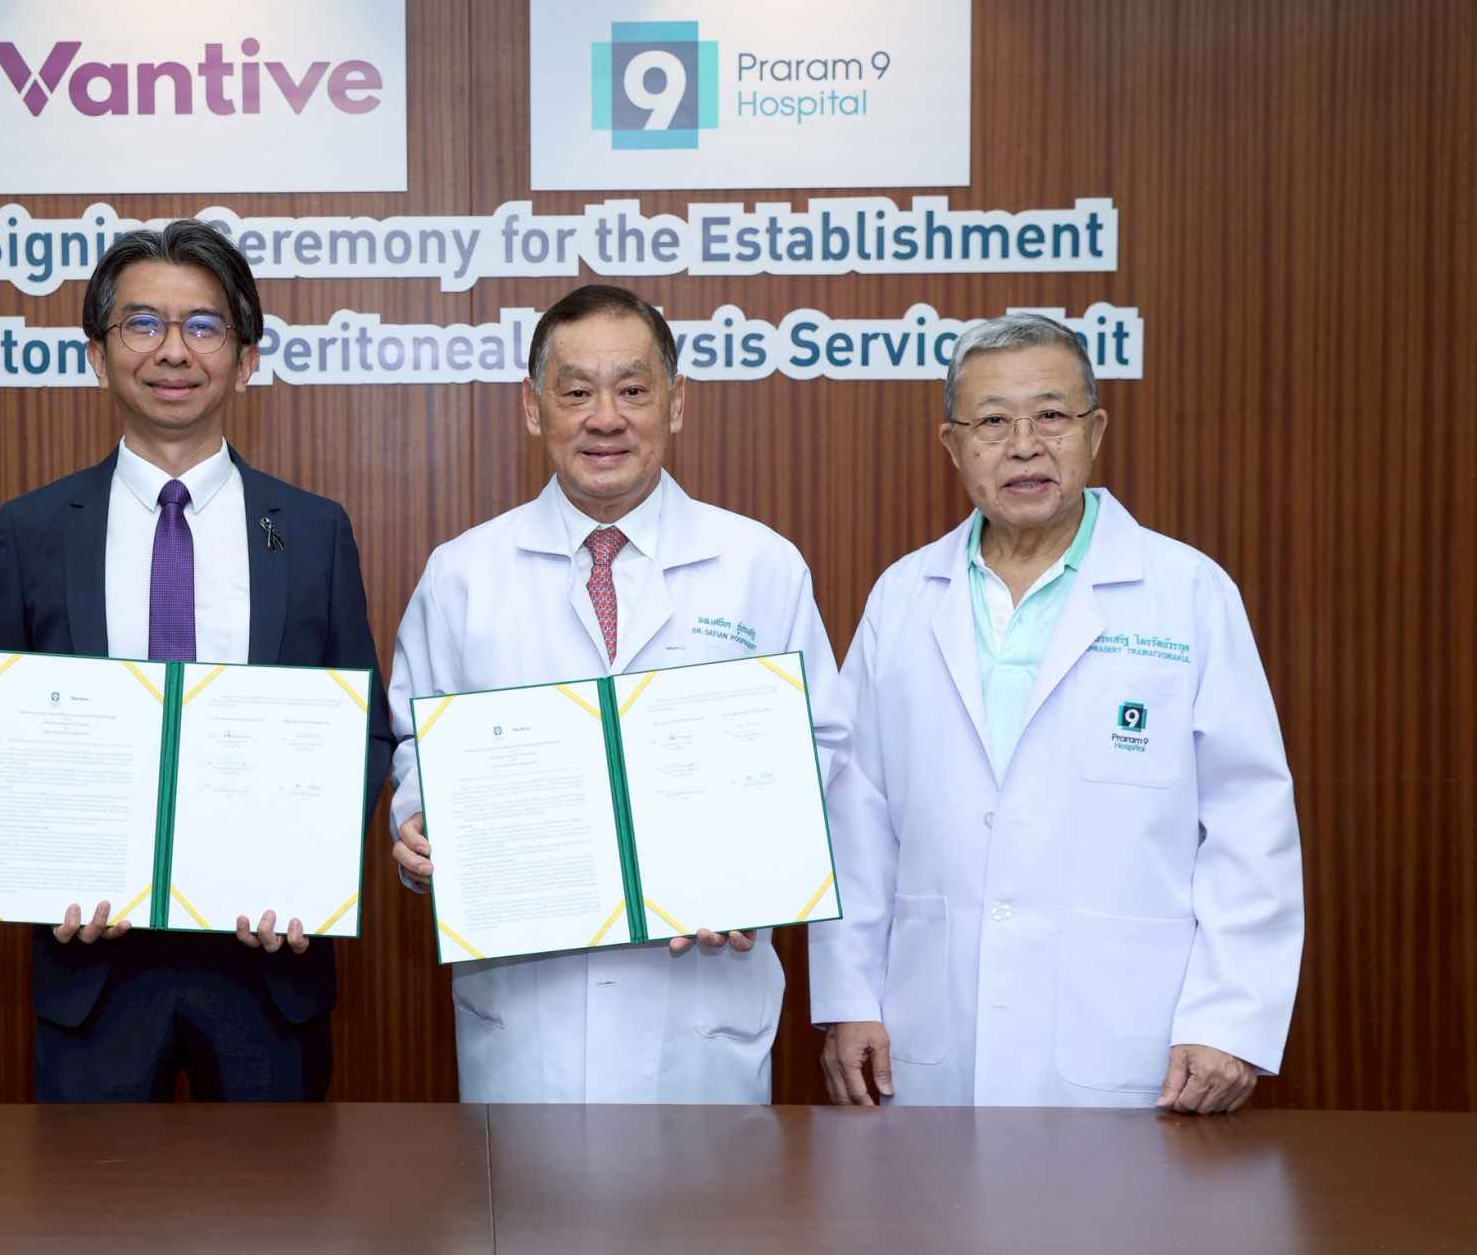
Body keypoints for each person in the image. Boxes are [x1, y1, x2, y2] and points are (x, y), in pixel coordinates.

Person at [809, 313, 1304, 1111]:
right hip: (932, 1031)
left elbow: (1250, 819)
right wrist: (850, 996)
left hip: (1133, 1036)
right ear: (952, 444)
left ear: (1094, 431)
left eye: (1050, 415)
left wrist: (1231, 1017)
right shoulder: (903, 597)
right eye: (992, 422)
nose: (1024, 445)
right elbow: (855, 816)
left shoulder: (1187, 592)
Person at [386, 283, 855, 1103]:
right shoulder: (462, 574)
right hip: (526, 1014)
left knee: (703, 1190)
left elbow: (822, 750)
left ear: (676, 403)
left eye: (633, 389)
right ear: (533, 408)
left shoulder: (760, 565)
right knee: (526, 1190)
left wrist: (756, 863)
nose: (606, 418)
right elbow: (419, 745)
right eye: (576, 392)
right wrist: (421, 826)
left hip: (702, 1001)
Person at [0, 218, 394, 1103]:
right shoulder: (34, 529)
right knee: (92, 1193)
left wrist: (306, 878)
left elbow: (363, 731)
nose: (173, 350)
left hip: (268, 960)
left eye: (203, 326)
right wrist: (47, 873)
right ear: (98, 355)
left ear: (245, 359)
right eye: (142, 323)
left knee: (278, 1188)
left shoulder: (314, 531)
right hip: (94, 962)